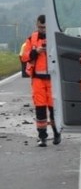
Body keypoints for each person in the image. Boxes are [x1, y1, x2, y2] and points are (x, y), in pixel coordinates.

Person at [20, 15, 61, 146]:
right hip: (38, 79)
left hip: (53, 79)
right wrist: (36, 51)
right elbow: (24, 57)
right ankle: (42, 137)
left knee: (54, 110)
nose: (42, 30)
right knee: (40, 109)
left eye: (44, 27)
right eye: (40, 27)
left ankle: (57, 133)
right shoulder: (31, 39)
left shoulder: (56, 38)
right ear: (37, 26)